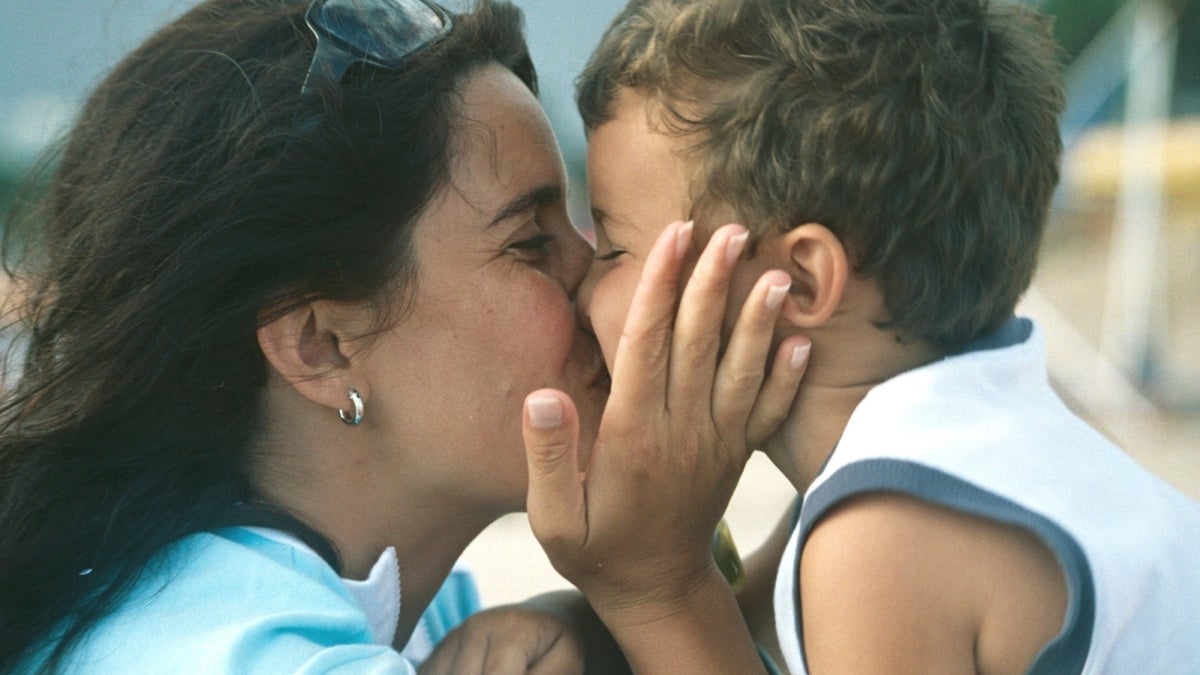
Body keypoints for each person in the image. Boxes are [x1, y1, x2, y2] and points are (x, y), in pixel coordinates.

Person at [0, 0, 806, 672]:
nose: (598, 282)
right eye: (531, 242)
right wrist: (659, 588)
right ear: (321, 344)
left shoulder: (389, 608)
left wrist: (602, 631)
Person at [518, 0, 1200, 672]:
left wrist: (655, 589)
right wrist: (576, 621)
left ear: (800, 283)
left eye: (612, 249)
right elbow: (741, 619)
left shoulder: (886, 534)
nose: (580, 291)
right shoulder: (975, 452)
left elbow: (686, 610)